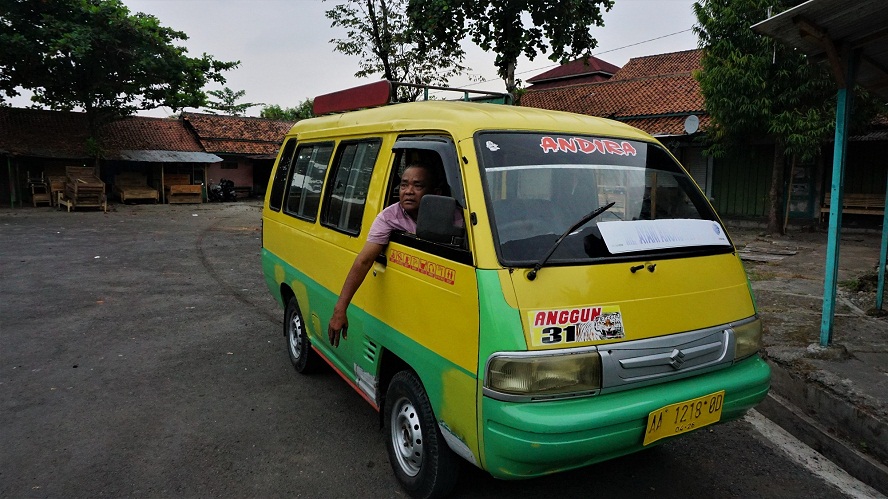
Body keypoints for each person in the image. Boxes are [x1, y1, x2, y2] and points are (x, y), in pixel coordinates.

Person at [327, 163, 442, 347]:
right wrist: (340, 309)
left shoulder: (451, 215)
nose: (409, 191)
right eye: (404, 185)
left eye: (418, 186)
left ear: (435, 193)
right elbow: (364, 261)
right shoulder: (389, 217)